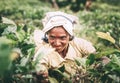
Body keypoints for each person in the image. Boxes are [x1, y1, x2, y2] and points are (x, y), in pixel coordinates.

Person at [33, 11, 96, 83]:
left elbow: (98, 56)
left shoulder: (78, 43)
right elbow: (40, 66)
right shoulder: (44, 51)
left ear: (70, 36)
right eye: (52, 37)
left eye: (62, 38)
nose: (57, 43)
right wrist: (41, 74)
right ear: (47, 36)